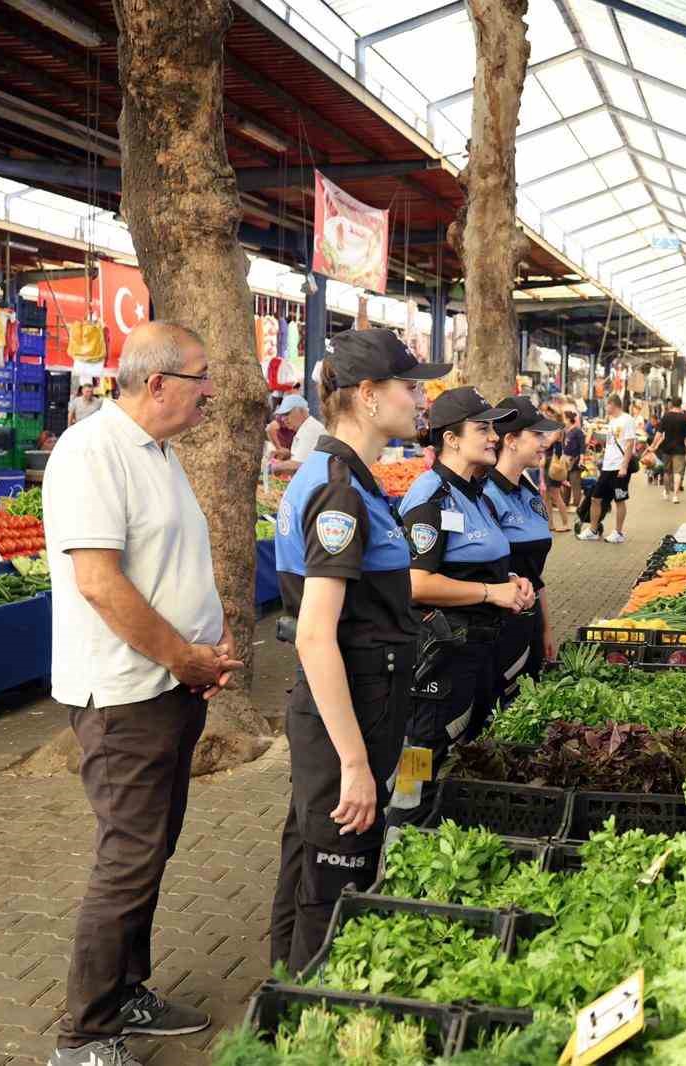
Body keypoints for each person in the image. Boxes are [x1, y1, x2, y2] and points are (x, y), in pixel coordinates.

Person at [43, 323, 243, 1066]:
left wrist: (202, 654)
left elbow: (165, 567)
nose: (211, 394)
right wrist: (183, 658)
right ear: (156, 383)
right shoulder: (91, 454)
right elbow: (100, 584)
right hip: (126, 694)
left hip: (170, 688)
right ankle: (85, 1036)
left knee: (151, 849)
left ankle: (127, 991)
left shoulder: (159, 453)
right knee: (127, 860)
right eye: (200, 380)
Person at [268, 329, 448, 973]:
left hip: (353, 699)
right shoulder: (339, 487)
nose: (422, 396)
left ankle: (282, 999)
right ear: (368, 397)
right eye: (411, 385)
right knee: (335, 882)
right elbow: (317, 633)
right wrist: (353, 763)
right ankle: (309, 1011)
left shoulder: (345, 476)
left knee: (307, 859)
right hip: (351, 708)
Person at [393, 388, 535, 825]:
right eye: (483, 428)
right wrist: (492, 594)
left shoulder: (476, 493)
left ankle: (437, 828)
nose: (494, 436)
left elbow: (471, 561)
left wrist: (507, 581)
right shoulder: (429, 497)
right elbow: (417, 583)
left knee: (460, 748)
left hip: (473, 653)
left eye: (494, 428)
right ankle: (403, 834)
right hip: (439, 659)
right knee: (421, 751)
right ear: (450, 439)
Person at [484, 397, 561, 707]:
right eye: (536, 435)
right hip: (497, 629)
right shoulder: (486, 495)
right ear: (511, 440)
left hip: (528, 621)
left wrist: (546, 628)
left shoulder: (527, 489)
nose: (544, 443)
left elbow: (535, 573)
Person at [576, 394, 636, 544]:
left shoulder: (627, 420)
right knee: (596, 498)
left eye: (607, 405)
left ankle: (619, 532)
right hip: (607, 467)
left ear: (613, 404)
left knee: (619, 499)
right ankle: (593, 530)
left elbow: (630, 444)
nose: (605, 408)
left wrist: (624, 466)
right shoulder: (612, 421)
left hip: (619, 467)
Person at [268, 394, 329, 479]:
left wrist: (275, 467)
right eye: (282, 415)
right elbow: (306, 460)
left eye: (287, 413)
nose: (283, 419)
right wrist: (287, 454)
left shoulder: (309, 430)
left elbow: (298, 466)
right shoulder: (305, 427)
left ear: (301, 411)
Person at [650, 399, 686, 504]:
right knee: (677, 472)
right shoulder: (684, 418)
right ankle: (675, 496)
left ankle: (666, 491)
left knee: (666, 471)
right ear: (680, 404)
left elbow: (659, 433)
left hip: (667, 448)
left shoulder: (666, 416)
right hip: (680, 449)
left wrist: (653, 445)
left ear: (672, 404)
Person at [540, 403, 572, 532]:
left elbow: (547, 444)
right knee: (546, 496)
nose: (547, 415)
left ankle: (565, 523)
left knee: (555, 495)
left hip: (554, 464)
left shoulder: (557, 429)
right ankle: (550, 524)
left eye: (550, 413)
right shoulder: (554, 427)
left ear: (556, 415)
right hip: (549, 462)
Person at [561, 409, 587, 511]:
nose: (563, 421)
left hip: (574, 459)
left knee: (575, 481)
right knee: (565, 481)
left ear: (568, 419)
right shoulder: (566, 431)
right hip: (566, 460)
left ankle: (576, 503)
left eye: (564, 419)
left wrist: (581, 458)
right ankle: (565, 501)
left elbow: (582, 446)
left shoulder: (577, 431)